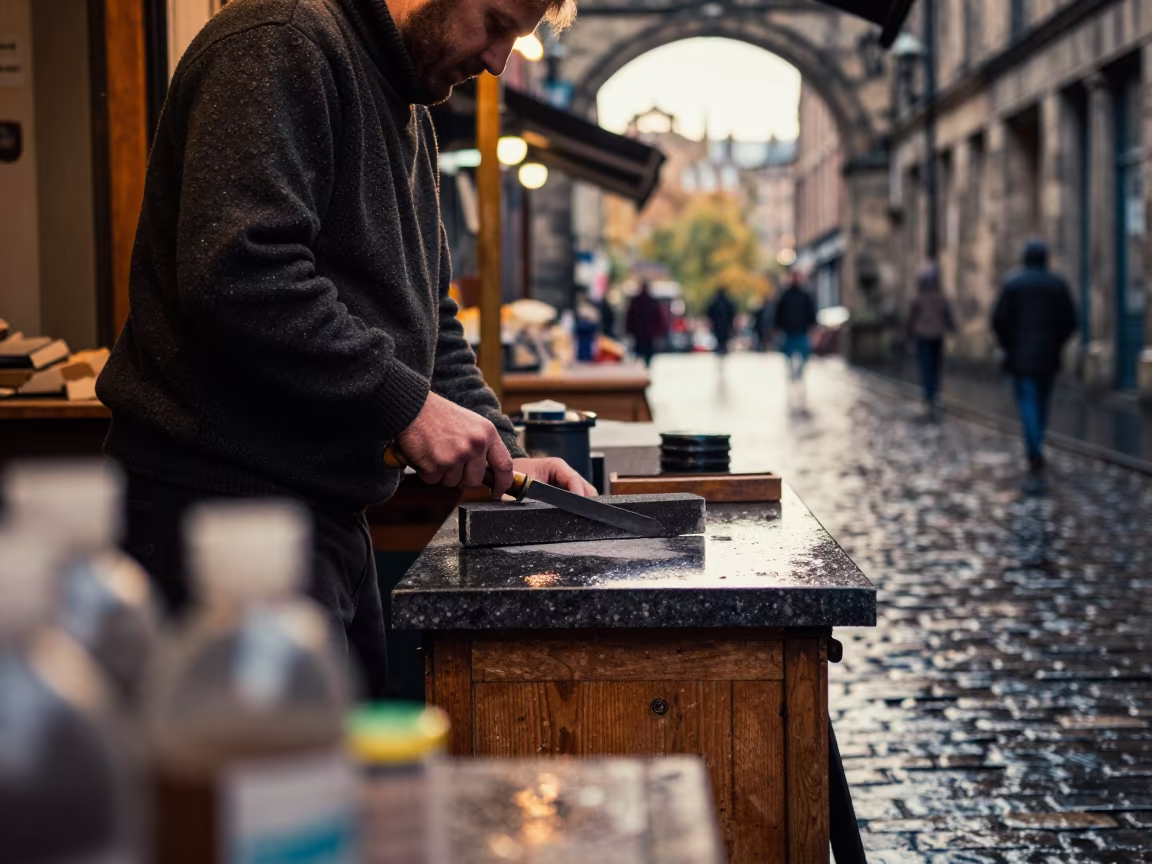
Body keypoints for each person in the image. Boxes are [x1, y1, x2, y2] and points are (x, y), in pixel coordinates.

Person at [94, 0, 587, 699]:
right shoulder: (279, 42)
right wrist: (406, 407)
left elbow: (429, 319)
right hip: (222, 525)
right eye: (498, 22)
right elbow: (240, 274)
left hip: (322, 523)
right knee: (261, 801)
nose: (498, 59)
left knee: (337, 792)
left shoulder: (407, 108)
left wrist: (507, 456)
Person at [992, 238, 1077, 487]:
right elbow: (1071, 320)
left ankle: (1034, 449)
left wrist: (1008, 344)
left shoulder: (1013, 283)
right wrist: (1057, 342)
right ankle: (1037, 443)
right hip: (1049, 355)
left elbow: (998, 320)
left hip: (1020, 356)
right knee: (1041, 401)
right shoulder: (1057, 284)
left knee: (1028, 400)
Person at [906, 262, 955, 417]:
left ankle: (929, 393)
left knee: (926, 365)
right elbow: (948, 315)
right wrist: (951, 327)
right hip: (936, 335)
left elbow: (911, 319)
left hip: (924, 336)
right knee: (935, 365)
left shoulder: (918, 298)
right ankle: (933, 392)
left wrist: (909, 335)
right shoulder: (940, 297)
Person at [774, 273, 817, 383]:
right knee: (788, 354)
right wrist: (777, 327)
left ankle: (798, 372)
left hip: (801, 330)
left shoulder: (805, 295)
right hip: (789, 331)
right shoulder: (785, 295)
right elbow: (779, 313)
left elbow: (810, 312)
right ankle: (792, 372)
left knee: (804, 354)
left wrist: (813, 326)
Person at [625, 281, 667, 366]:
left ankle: (641, 369)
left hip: (641, 333)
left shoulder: (637, 301)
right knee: (646, 354)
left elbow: (630, 317)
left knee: (640, 353)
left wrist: (629, 330)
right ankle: (643, 369)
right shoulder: (650, 301)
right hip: (646, 333)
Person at [706, 286, 738, 358]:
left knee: (720, 336)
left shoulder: (714, 301)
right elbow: (733, 311)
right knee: (723, 336)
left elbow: (709, 312)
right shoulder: (727, 301)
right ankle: (722, 347)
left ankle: (721, 347)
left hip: (718, 323)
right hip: (725, 323)